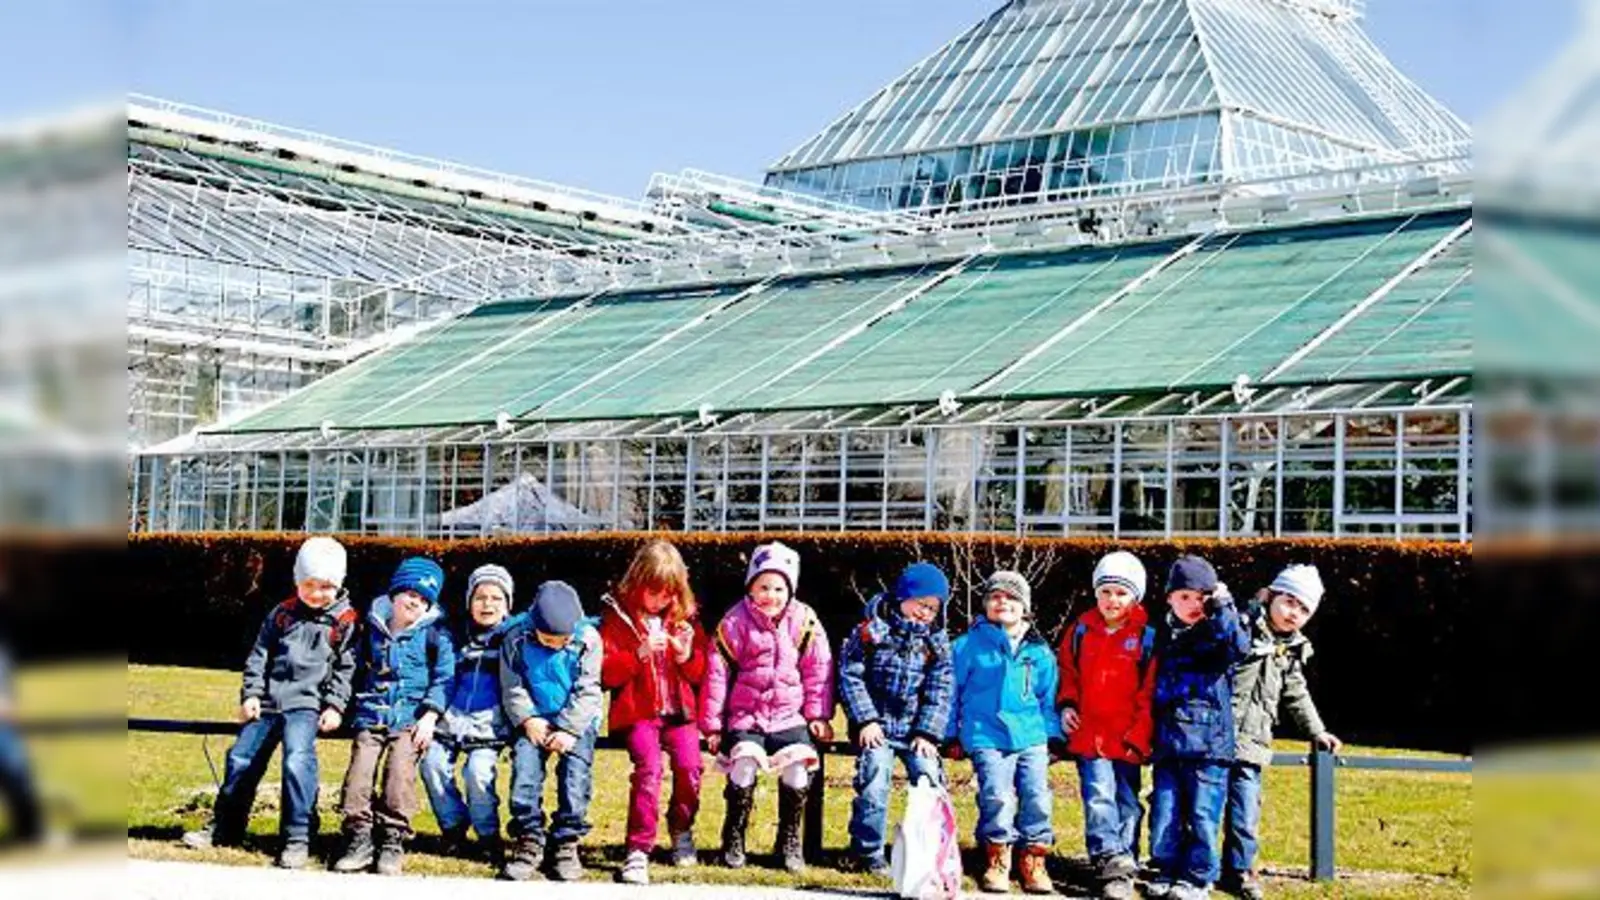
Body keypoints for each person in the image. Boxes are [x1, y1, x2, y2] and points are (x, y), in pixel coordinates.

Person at [181, 536, 358, 869]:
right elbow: (258, 657)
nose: (317, 593)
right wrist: (250, 694)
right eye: (309, 584)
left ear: (338, 584)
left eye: (325, 586)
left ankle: (297, 835)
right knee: (241, 759)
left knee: (297, 761)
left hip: (307, 706)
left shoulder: (345, 622)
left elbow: (346, 670)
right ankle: (226, 827)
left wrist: (334, 705)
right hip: (268, 703)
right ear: (297, 581)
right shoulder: (281, 615)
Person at [700, 541, 835, 873]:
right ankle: (733, 836)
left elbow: (819, 670)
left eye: (778, 588)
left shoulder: (805, 622)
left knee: (797, 768)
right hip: (747, 716)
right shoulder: (734, 622)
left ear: (790, 589)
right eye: (762, 587)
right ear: (750, 587)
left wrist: (817, 715)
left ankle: (789, 841)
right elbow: (717, 675)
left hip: (789, 716)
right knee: (743, 762)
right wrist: (714, 725)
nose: (770, 596)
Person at [1222, 565, 1342, 900]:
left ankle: (1240, 870)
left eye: (1304, 609)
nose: (1294, 613)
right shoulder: (1241, 627)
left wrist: (1317, 730)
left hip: (1252, 743)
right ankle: (1194, 868)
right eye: (1290, 602)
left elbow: (1295, 691)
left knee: (1246, 811)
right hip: (1215, 737)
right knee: (1204, 808)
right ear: (1271, 594)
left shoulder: (1290, 649)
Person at [332, 556, 454, 876]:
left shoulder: (436, 634)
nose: (415, 601)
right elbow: (355, 669)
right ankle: (358, 836)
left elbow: (444, 678)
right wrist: (340, 706)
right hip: (371, 713)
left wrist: (430, 716)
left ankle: (392, 837)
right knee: (359, 772)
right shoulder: (371, 627)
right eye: (409, 593)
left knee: (399, 773)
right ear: (394, 595)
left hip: (411, 718)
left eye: (423, 598)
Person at [599, 540, 709, 884]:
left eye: (669, 594)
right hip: (639, 713)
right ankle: (638, 849)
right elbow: (605, 673)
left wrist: (684, 656)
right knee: (649, 770)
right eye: (655, 592)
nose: (662, 600)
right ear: (638, 582)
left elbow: (701, 672)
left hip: (679, 714)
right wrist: (639, 654)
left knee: (691, 766)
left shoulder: (685, 619)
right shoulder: (618, 618)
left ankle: (681, 830)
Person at [837, 561, 954, 876]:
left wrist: (928, 733)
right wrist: (866, 720)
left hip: (915, 730)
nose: (924, 613)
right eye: (920, 603)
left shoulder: (936, 644)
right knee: (875, 777)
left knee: (929, 777)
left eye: (932, 608)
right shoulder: (870, 633)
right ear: (902, 597)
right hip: (876, 727)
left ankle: (929, 849)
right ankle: (867, 851)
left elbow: (940, 690)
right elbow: (850, 677)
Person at [948, 570, 1060, 895]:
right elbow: (951, 693)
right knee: (996, 795)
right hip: (986, 732)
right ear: (985, 605)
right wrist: (950, 735)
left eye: (1011, 597)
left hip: (1032, 734)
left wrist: (1053, 738)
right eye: (995, 596)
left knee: (1037, 796)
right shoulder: (967, 646)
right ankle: (998, 857)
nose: (1003, 602)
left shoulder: (1038, 651)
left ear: (1024, 606)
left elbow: (1048, 698)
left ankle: (1034, 858)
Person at [1146, 556, 1250, 900]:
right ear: (1169, 598)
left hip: (1209, 746)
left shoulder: (1219, 632)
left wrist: (1223, 604)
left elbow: (1238, 644)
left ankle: (1198, 876)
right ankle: (1165, 868)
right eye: (1184, 597)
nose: (1193, 605)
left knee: (1204, 814)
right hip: (1168, 742)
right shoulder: (1160, 635)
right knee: (1165, 812)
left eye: (1200, 597)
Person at [1056, 551, 1156, 900]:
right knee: (1099, 796)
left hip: (1127, 737)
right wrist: (1067, 705)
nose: (1112, 600)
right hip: (1089, 734)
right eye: (1106, 592)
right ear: (1096, 593)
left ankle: (1125, 860)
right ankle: (1105, 858)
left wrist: (1140, 734)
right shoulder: (1080, 630)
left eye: (1121, 593)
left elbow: (1149, 692)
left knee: (1127, 801)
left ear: (1135, 597)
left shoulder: (1146, 638)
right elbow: (1067, 673)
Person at [419, 564, 524, 865]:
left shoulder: (513, 635)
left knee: (478, 775)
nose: (487, 604)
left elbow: (549, 618)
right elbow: (440, 673)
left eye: (496, 598)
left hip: (487, 725)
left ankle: (488, 835)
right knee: (432, 765)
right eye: (480, 597)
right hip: (450, 718)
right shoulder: (452, 634)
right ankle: (453, 827)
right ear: (469, 602)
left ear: (507, 605)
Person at [498, 580, 603, 882]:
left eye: (562, 640)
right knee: (525, 774)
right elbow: (513, 685)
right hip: (533, 719)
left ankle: (566, 840)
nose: (556, 645)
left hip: (576, 721)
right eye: (548, 639)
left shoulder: (588, 639)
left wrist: (569, 729)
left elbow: (589, 689)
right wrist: (528, 718)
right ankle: (529, 837)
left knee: (575, 778)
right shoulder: (516, 638)